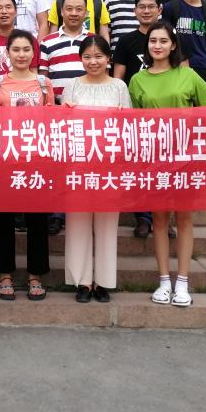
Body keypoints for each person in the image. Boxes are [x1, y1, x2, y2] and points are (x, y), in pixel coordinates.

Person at [129, 20, 206, 308]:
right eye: (153, 41)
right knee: (158, 220)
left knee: (184, 219)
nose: (157, 46)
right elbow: (131, 123)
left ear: (173, 45)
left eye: (163, 41)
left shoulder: (188, 75)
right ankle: (163, 281)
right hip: (154, 159)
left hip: (185, 158)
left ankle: (182, 282)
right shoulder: (137, 80)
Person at [0, 30, 53, 301]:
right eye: (16, 50)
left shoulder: (44, 83)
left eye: (26, 50)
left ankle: (36, 275)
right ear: (7, 53)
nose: (21, 55)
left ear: (34, 53)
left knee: (38, 220)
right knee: (4, 220)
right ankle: (4, 276)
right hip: (6, 160)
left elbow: (53, 119)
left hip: (37, 160)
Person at [62, 35, 130, 303]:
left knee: (107, 225)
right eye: (87, 57)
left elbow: (129, 127)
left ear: (108, 59)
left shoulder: (119, 87)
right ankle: (81, 281)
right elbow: (63, 126)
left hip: (110, 166)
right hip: (78, 165)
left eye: (99, 56)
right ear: (81, 59)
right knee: (77, 223)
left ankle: (103, 281)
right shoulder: (72, 86)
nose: (93, 62)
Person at [112, 0, 166, 239]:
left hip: (166, 115)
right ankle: (143, 217)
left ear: (159, 9)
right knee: (140, 168)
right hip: (135, 115)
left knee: (164, 169)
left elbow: (184, 71)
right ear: (134, 11)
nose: (146, 11)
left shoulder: (170, 39)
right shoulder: (126, 41)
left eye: (150, 6)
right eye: (141, 7)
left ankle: (163, 217)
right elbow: (118, 78)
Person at [41, 0, 95, 235]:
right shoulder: (47, 42)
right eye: (69, 9)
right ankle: (55, 214)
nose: (74, 13)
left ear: (86, 13)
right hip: (57, 112)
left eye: (78, 9)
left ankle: (81, 210)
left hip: (88, 114)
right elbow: (43, 79)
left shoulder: (94, 41)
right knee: (57, 164)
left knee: (82, 164)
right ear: (61, 12)